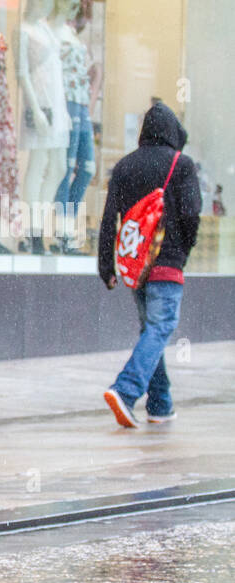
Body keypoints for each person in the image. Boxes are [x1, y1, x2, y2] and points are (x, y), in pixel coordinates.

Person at [99, 102, 201, 428]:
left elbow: (107, 220)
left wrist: (106, 266)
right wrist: (182, 253)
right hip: (167, 264)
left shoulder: (124, 167)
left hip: (137, 265)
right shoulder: (181, 164)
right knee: (160, 327)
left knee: (151, 331)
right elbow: (191, 215)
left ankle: (160, 404)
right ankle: (125, 390)